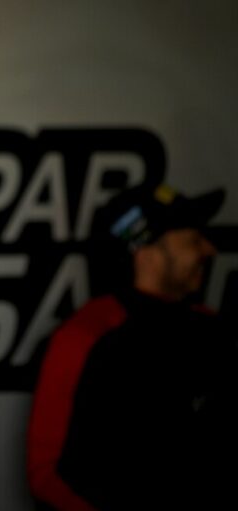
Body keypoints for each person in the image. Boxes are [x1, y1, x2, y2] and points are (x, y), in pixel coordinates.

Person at [27, 182, 238, 510]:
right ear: (147, 252)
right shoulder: (85, 336)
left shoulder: (213, 330)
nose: (209, 250)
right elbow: (46, 474)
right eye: (193, 240)